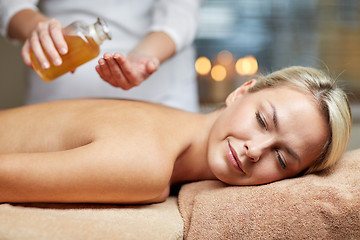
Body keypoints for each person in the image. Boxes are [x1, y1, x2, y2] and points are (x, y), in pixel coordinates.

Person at [0, 66, 352, 204]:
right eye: (262, 120)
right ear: (241, 92)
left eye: (281, 158)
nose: (255, 151)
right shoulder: (146, 166)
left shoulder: (168, 121)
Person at [0, 0, 201, 112]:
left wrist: (144, 56)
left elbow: (180, 13)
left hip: (160, 100)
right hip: (57, 104)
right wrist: (39, 28)